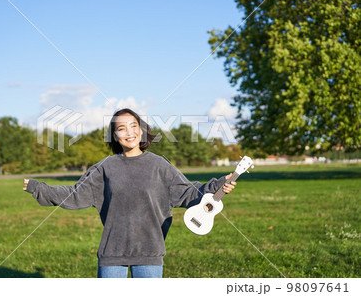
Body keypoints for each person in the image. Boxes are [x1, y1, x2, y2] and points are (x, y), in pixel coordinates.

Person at [23, 108, 236, 278]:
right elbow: (76, 194)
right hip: (112, 252)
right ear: (115, 136)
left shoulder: (158, 165)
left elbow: (188, 192)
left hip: (150, 251)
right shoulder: (105, 167)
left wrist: (217, 185)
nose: (129, 132)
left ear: (141, 130)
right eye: (122, 128)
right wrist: (38, 188)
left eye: (134, 126)